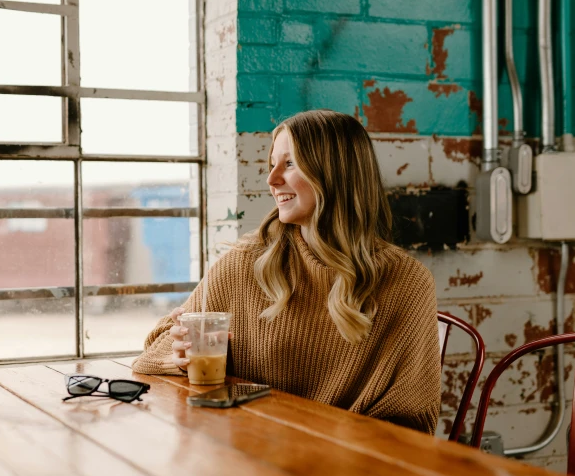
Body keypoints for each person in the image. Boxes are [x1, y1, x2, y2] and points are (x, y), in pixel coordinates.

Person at [132, 109, 441, 434]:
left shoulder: (407, 281)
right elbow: (150, 357)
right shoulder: (244, 263)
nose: (272, 179)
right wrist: (178, 356)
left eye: (290, 163)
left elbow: (411, 425)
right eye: (272, 164)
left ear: (334, 173)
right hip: (249, 455)